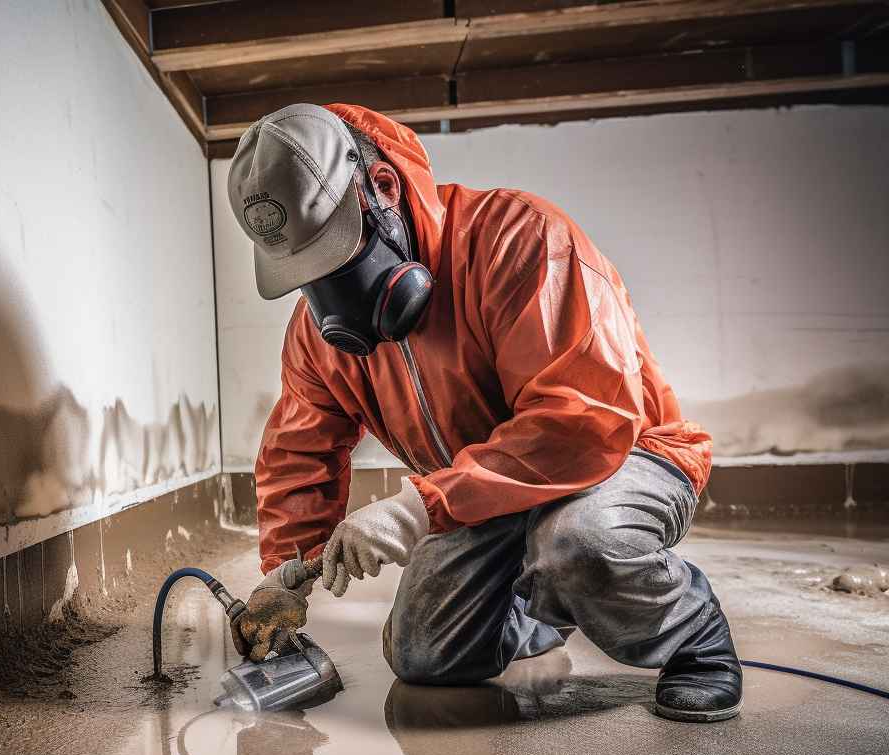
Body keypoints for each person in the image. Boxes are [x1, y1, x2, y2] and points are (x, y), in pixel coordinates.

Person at [226, 103, 741, 722]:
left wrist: (418, 508)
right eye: (308, 270)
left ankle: (695, 641)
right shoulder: (318, 337)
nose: (331, 296)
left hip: (623, 456)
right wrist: (287, 574)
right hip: (482, 494)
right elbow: (299, 453)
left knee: (579, 541)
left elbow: (583, 421)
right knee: (424, 655)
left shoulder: (522, 239)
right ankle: (553, 598)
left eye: (339, 255)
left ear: (382, 188)